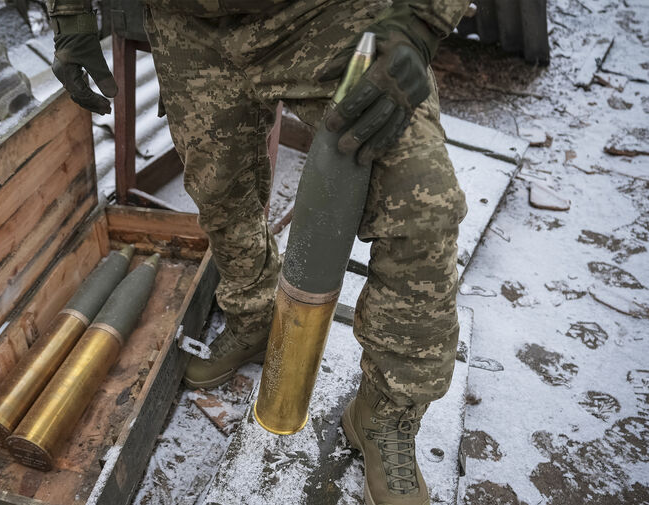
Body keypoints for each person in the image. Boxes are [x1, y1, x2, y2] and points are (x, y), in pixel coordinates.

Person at [48, 0, 468, 502]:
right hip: (185, 22)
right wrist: (70, 15)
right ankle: (253, 315)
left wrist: (424, 19)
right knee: (220, 192)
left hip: (325, 15)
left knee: (421, 204)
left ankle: (384, 416)